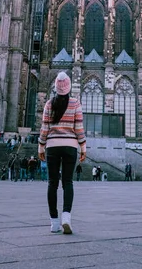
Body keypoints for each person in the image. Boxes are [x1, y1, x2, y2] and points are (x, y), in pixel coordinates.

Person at [38, 71, 86, 234]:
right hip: (70, 147)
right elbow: (79, 128)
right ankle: (66, 217)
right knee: (68, 183)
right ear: (68, 88)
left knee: (52, 183)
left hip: (52, 146)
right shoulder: (75, 103)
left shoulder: (49, 104)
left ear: (56, 88)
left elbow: (44, 128)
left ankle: (54, 223)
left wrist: (41, 147)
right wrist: (83, 147)